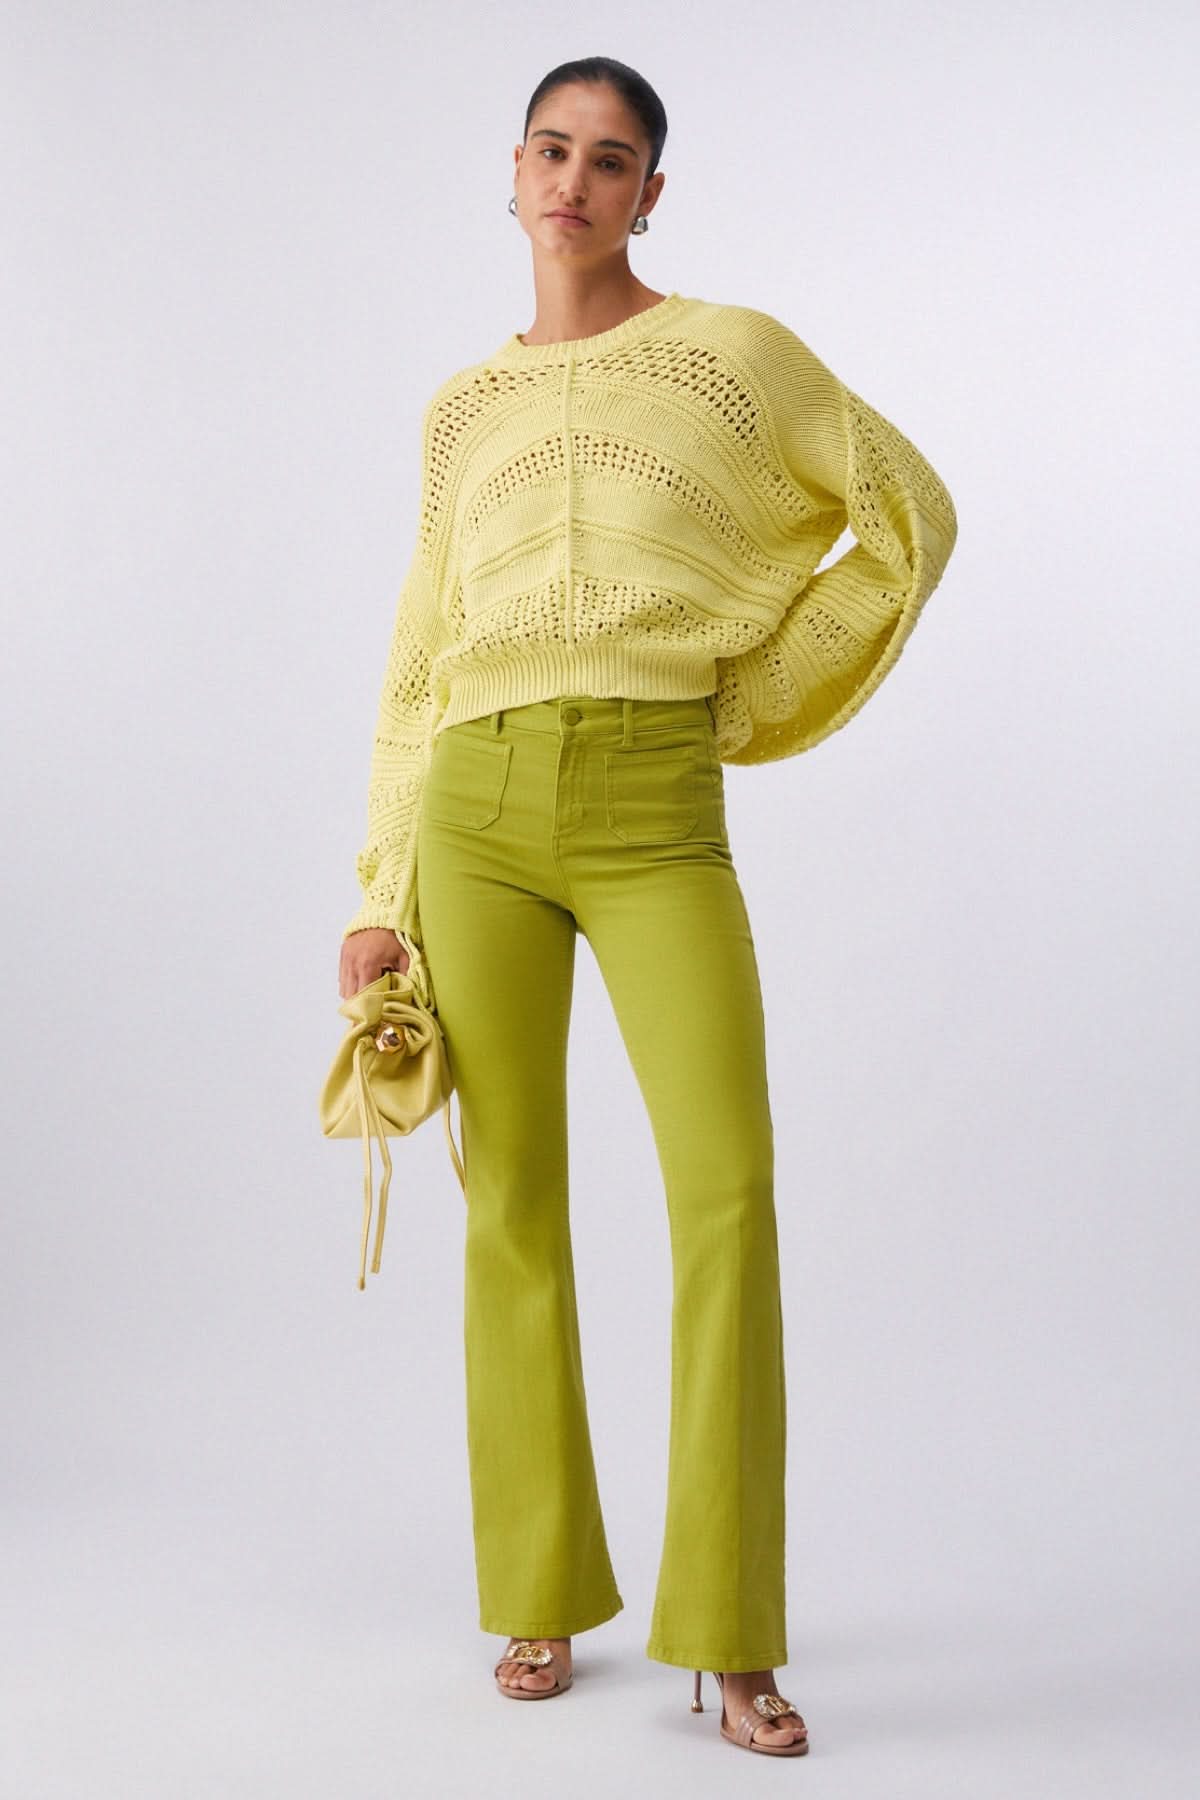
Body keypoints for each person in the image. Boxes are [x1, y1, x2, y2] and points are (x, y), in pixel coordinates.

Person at [337, 55, 958, 1758]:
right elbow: (419, 656)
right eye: (552, 149)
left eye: (611, 160)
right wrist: (382, 886)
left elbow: (907, 513)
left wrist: (744, 698)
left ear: (649, 195)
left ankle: (730, 1633)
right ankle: (538, 1588)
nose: (574, 181)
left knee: (726, 1191)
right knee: (512, 1205)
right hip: (474, 814)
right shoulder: (460, 408)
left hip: (652, 809)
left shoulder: (730, 358)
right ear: (514, 168)